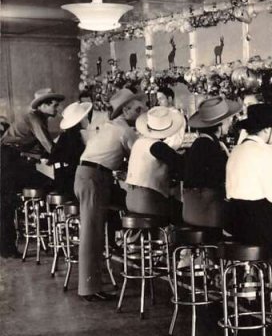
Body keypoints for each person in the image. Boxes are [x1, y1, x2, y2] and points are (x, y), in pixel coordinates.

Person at [74, 88, 147, 302]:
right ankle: (88, 288)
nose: (141, 111)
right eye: (138, 108)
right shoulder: (125, 130)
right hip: (94, 178)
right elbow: (140, 156)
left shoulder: (110, 126)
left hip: (90, 176)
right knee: (92, 233)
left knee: (94, 231)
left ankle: (91, 285)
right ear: (126, 110)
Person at [0, 88, 64, 258]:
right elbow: (47, 144)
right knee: (7, 203)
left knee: (7, 203)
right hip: (7, 160)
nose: (57, 110)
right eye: (55, 106)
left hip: (11, 158)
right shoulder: (34, 117)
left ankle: (42, 231)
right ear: (43, 105)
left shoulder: (39, 118)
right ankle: (7, 249)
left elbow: (38, 147)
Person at [225, 103, 272, 254]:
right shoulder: (262, 152)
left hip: (235, 222)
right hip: (259, 226)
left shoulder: (236, 150)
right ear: (266, 129)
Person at [182, 96, 241, 228]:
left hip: (191, 211)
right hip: (207, 212)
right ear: (219, 125)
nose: (230, 122)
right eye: (228, 119)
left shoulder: (199, 144)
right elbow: (226, 176)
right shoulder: (210, 147)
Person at [124, 106, 186, 217]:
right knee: (184, 212)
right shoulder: (157, 146)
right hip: (148, 201)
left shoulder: (139, 142)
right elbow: (182, 166)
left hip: (130, 199)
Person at [50, 101, 92, 196]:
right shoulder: (80, 136)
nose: (88, 120)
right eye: (85, 117)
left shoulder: (64, 136)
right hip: (71, 184)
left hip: (60, 181)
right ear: (80, 121)